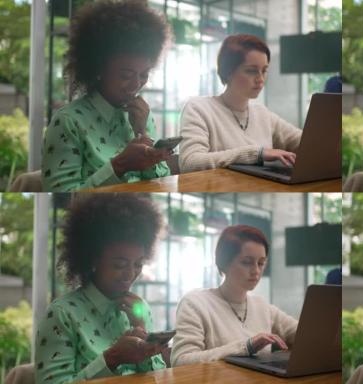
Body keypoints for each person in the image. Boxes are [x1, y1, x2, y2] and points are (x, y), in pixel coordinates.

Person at [41, 0, 173, 191]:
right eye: (125, 75)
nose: (136, 85)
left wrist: (142, 132)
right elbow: (64, 196)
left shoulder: (143, 116)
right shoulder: (68, 122)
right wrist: (119, 166)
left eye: (144, 74)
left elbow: (161, 185)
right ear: (98, 68)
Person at [35, 194, 167, 383]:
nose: (130, 274)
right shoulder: (62, 315)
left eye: (138, 264)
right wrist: (112, 359)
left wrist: (142, 330)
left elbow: (156, 377)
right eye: (120, 265)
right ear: (93, 259)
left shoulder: (141, 309)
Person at [171, 225, 298, 365]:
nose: (256, 271)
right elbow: (180, 361)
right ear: (224, 263)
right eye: (247, 262)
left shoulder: (261, 306)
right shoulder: (195, 303)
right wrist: (246, 347)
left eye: (261, 263)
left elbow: (303, 332)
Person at [179, 34, 302, 173]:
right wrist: (257, 154)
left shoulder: (262, 114)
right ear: (228, 72)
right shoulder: (199, 108)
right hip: (215, 193)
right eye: (251, 71)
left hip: (257, 192)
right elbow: (189, 163)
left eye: (264, 70)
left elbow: (304, 141)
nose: (260, 79)